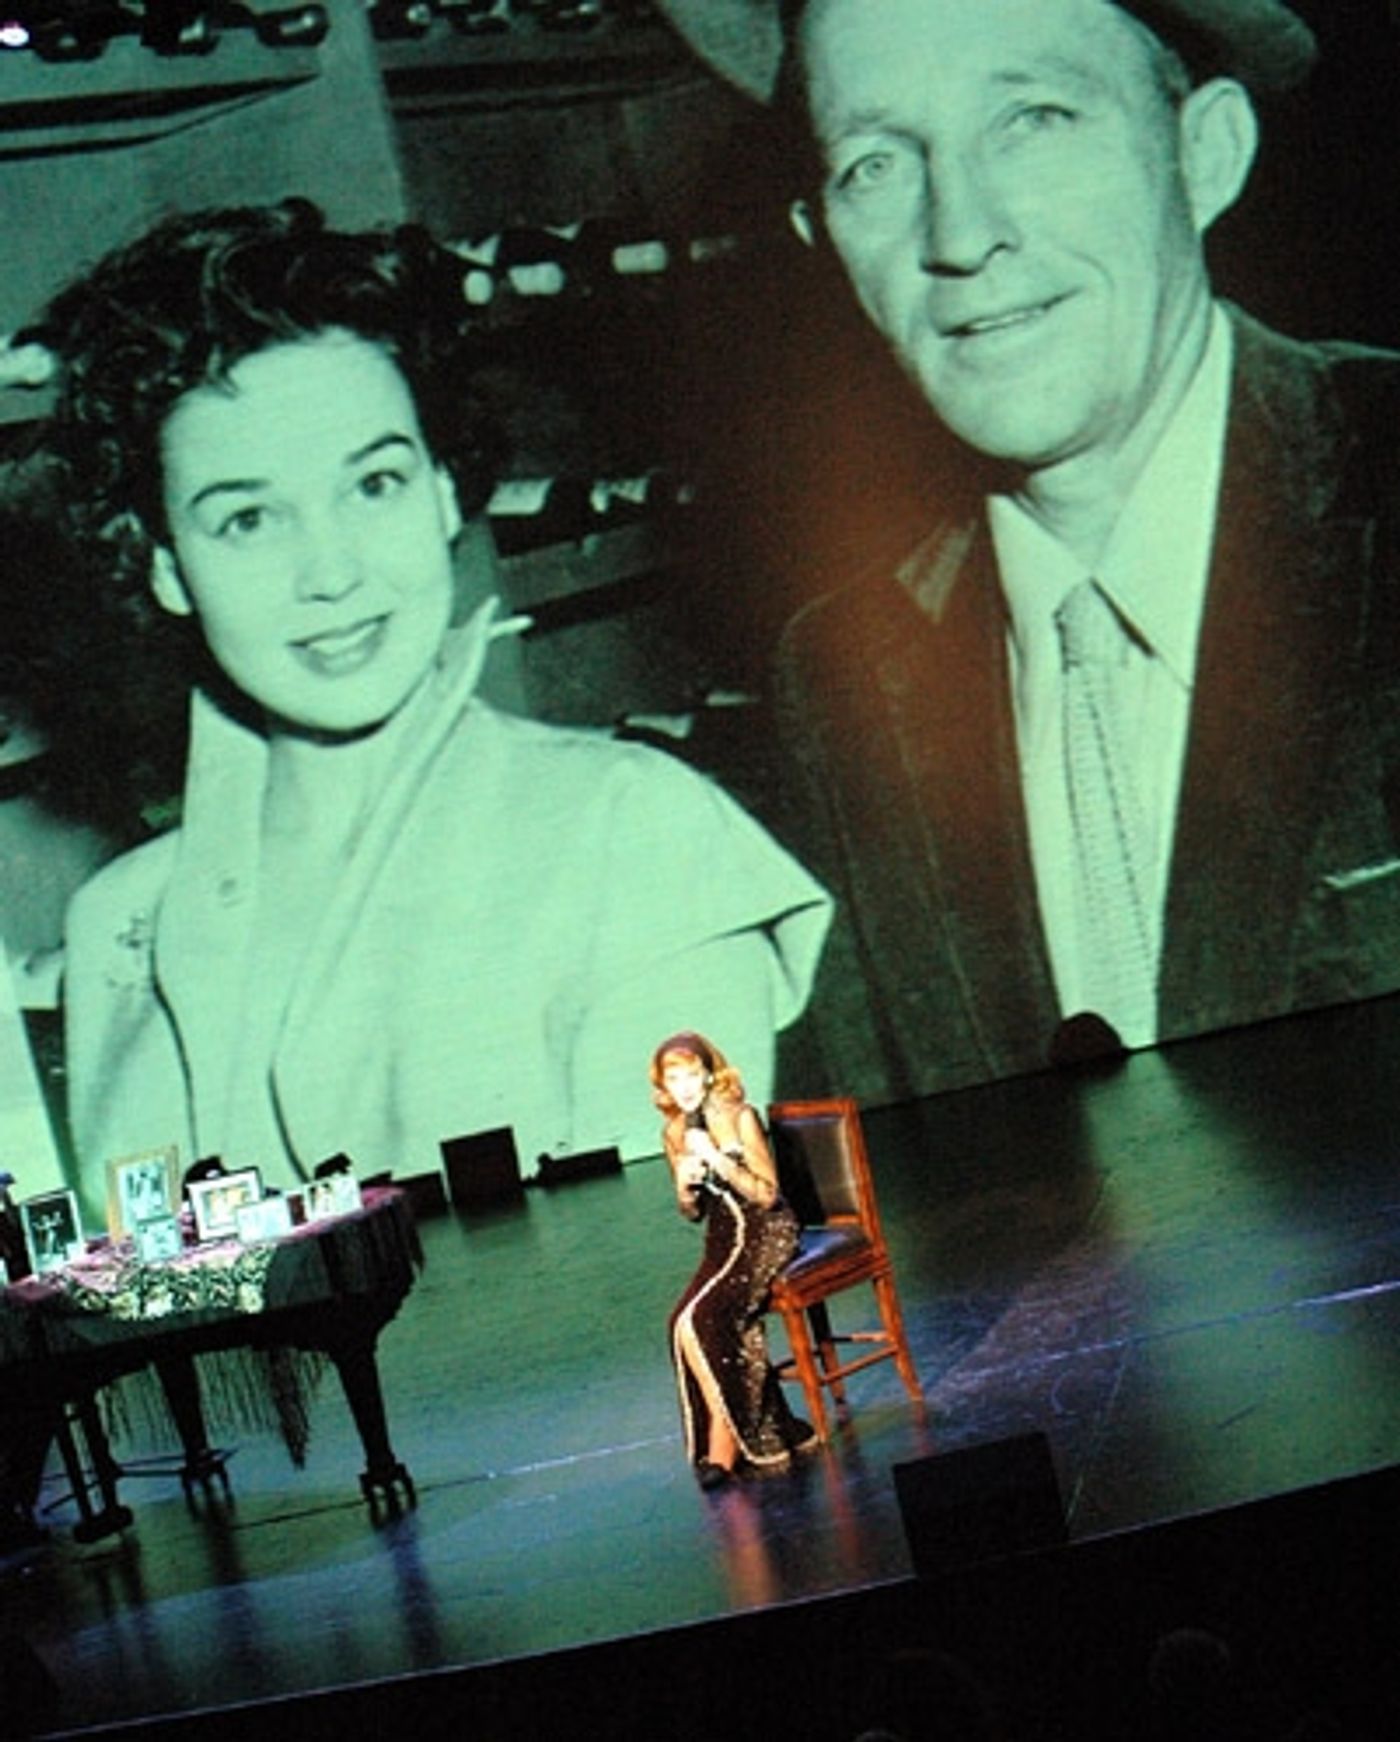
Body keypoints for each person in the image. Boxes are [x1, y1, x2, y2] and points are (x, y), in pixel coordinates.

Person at [29, 201, 831, 1226]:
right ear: (163, 563)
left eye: (374, 483)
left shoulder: (635, 834)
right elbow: (139, 1280)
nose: (330, 571)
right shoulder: (117, 923)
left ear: (447, 491)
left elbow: (665, 1275)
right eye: (248, 517)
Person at [656, 0, 1400, 1105]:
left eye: (1033, 119)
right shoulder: (842, 677)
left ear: (1205, 153)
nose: (959, 234)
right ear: (823, 241)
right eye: (873, 165)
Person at [652, 1030, 816, 1490]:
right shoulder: (673, 1133)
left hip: (767, 1232)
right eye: (673, 1079)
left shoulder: (740, 1116)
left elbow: (768, 1195)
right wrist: (684, 1188)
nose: (684, 1087)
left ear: (709, 1075)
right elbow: (693, 1214)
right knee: (679, 1323)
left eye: (691, 1075)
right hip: (724, 1237)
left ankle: (723, 1451)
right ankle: (775, 1430)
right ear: (663, 1087)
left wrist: (720, 1161)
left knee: (705, 1317)